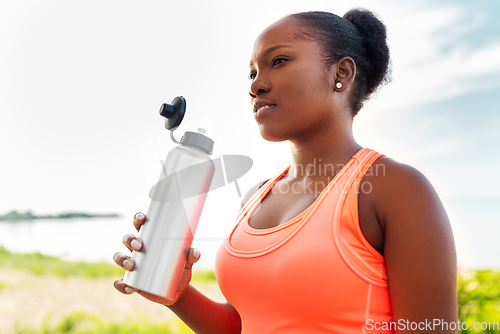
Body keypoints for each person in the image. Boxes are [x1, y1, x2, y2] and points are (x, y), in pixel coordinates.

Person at [113, 8, 458, 334]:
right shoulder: (255, 197)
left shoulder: (396, 189)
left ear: (341, 74)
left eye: (278, 61)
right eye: (252, 73)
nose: (255, 85)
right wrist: (180, 296)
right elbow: (249, 324)